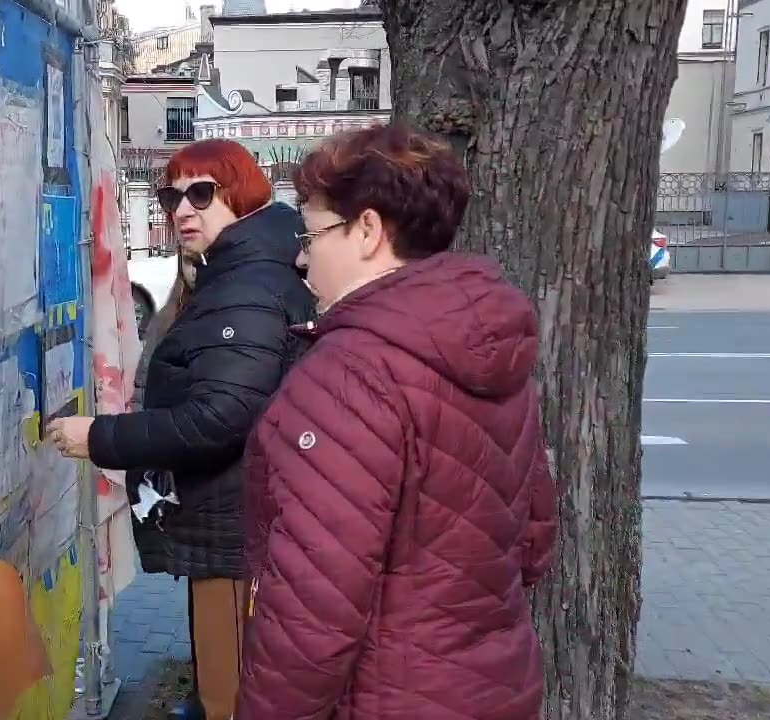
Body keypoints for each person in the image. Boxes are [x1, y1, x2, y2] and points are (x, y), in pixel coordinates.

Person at [234, 124, 559, 719]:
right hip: (495, 684)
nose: (302, 258)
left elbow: (312, 615)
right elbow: (534, 543)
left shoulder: (350, 376)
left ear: (367, 231)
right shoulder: (487, 346)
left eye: (312, 234)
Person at [46, 139, 316, 720]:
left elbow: (219, 418)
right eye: (172, 195)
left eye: (201, 193)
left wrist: (99, 437)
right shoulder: (239, 273)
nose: (181, 210)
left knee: (232, 697)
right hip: (235, 525)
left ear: (241, 195)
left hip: (235, 534)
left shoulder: (245, 286)